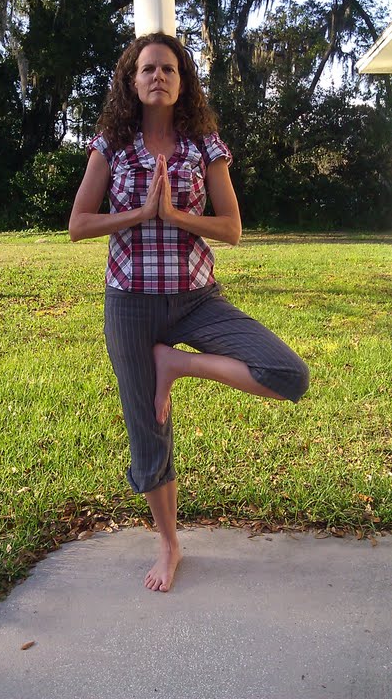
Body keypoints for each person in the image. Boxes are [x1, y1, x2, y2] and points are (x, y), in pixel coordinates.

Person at [69, 32, 309, 593]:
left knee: (287, 373)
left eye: (169, 69)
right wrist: (137, 215)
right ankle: (170, 543)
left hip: (198, 300)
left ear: (183, 83)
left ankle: (175, 364)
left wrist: (177, 216)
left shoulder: (205, 145)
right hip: (130, 304)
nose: (158, 76)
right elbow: (79, 224)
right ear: (132, 80)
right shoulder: (113, 144)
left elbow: (232, 229)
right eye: (148, 68)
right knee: (148, 432)